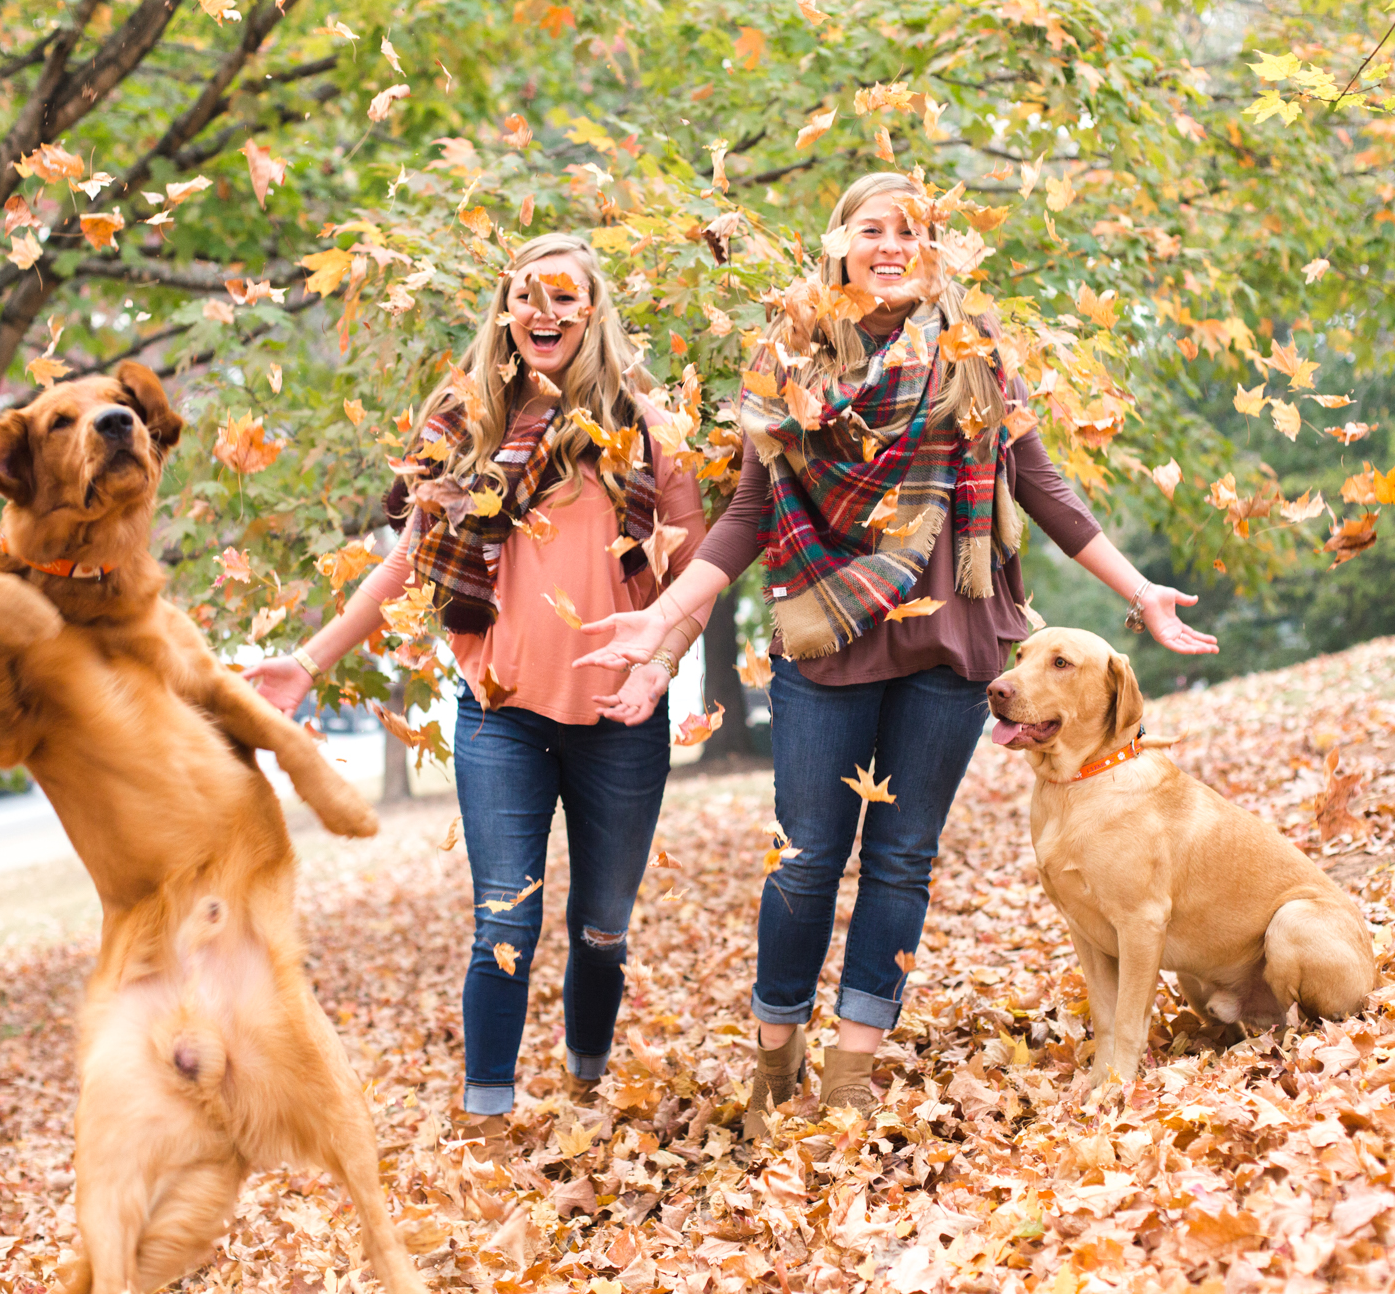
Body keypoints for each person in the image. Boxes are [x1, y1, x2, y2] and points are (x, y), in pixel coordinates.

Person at [575, 173, 1217, 1134]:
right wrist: (667, 617)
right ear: (836, 244)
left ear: (937, 247)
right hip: (826, 633)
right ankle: (778, 1044)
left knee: (903, 858)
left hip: (953, 631)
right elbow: (751, 510)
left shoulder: (976, 354)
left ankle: (851, 1068)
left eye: (913, 230)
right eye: (872, 228)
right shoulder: (786, 357)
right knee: (806, 859)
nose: (892, 244)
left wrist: (1138, 594)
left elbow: (1039, 485)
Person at [246, 234, 708, 1135]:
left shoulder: (650, 429)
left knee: (602, 928)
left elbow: (694, 576)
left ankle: (584, 1082)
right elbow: (406, 567)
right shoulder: (467, 425)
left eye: (565, 296)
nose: (545, 312)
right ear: (505, 309)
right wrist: (309, 660)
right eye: (527, 295)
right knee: (503, 921)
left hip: (621, 718)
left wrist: (657, 666)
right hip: (500, 716)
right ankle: (485, 1121)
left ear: (594, 310)